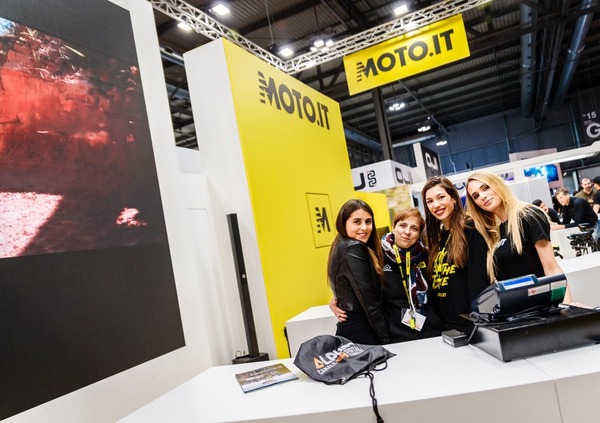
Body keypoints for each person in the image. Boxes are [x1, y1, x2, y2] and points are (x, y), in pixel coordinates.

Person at [330, 208, 443, 343]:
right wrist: (339, 298)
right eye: (403, 225)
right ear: (394, 227)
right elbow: (360, 285)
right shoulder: (376, 254)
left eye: (414, 228)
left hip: (430, 330)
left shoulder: (427, 256)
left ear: (419, 234)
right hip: (396, 335)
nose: (407, 232)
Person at [466, 171, 572, 303]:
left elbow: (551, 268)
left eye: (486, 188)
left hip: (542, 304)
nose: (482, 196)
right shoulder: (494, 232)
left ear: (497, 184)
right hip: (515, 308)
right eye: (476, 196)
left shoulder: (528, 215)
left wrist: (568, 305)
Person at [421, 176, 489, 334]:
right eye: (429, 201)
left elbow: (478, 281)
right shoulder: (436, 237)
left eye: (441, 197)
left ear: (453, 198)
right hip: (444, 325)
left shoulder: (471, 228)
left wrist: (478, 320)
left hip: (469, 323)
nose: (435, 205)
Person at [327, 199, 389, 345]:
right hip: (362, 330)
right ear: (343, 223)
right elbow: (369, 302)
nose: (364, 227)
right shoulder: (353, 247)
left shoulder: (341, 243)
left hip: (355, 328)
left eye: (368, 222)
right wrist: (386, 339)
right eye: (357, 222)